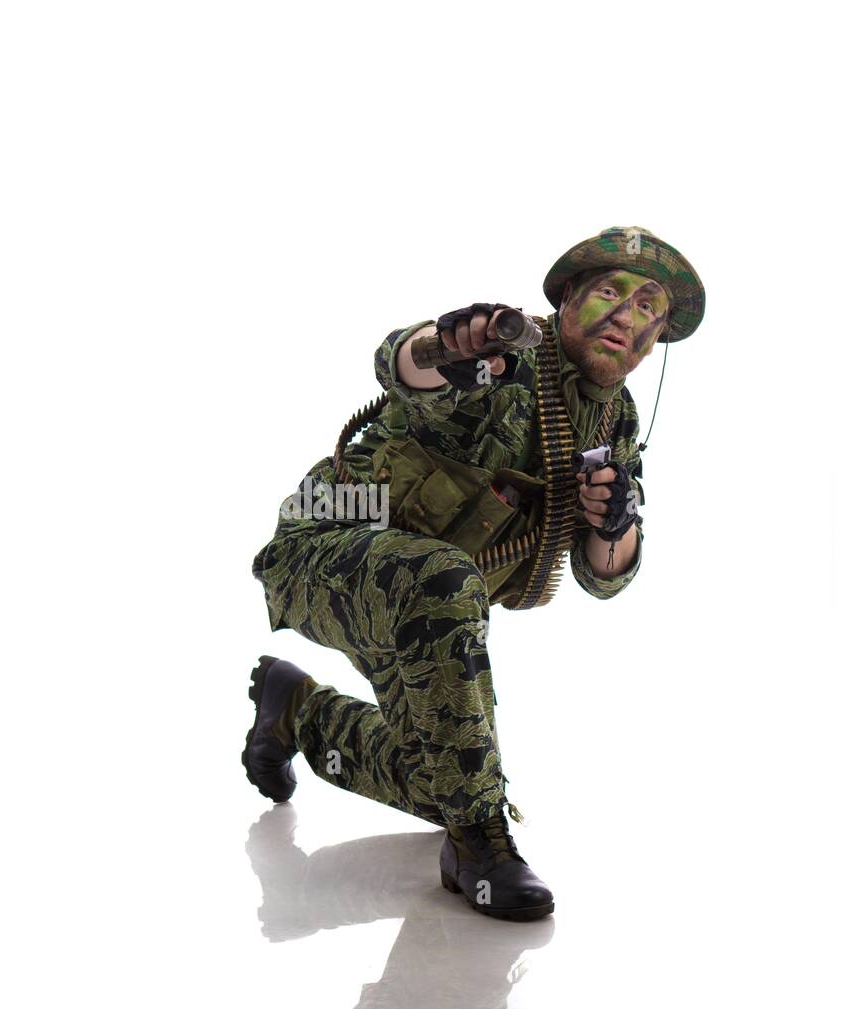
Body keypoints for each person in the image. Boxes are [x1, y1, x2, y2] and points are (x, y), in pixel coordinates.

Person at [245, 227, 705, 921]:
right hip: (327, 546)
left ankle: (299, 712)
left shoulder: (615, 419)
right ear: (569, 296)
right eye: (609, 293)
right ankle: (480, 844)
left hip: (424, 609)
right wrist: (443, 346)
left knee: (447, 777)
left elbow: (602, 576)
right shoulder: (508, 355)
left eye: (648, 307)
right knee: (447, 581)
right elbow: (403, 365)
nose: (625, 316)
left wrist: (614, 525)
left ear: (659, 336)